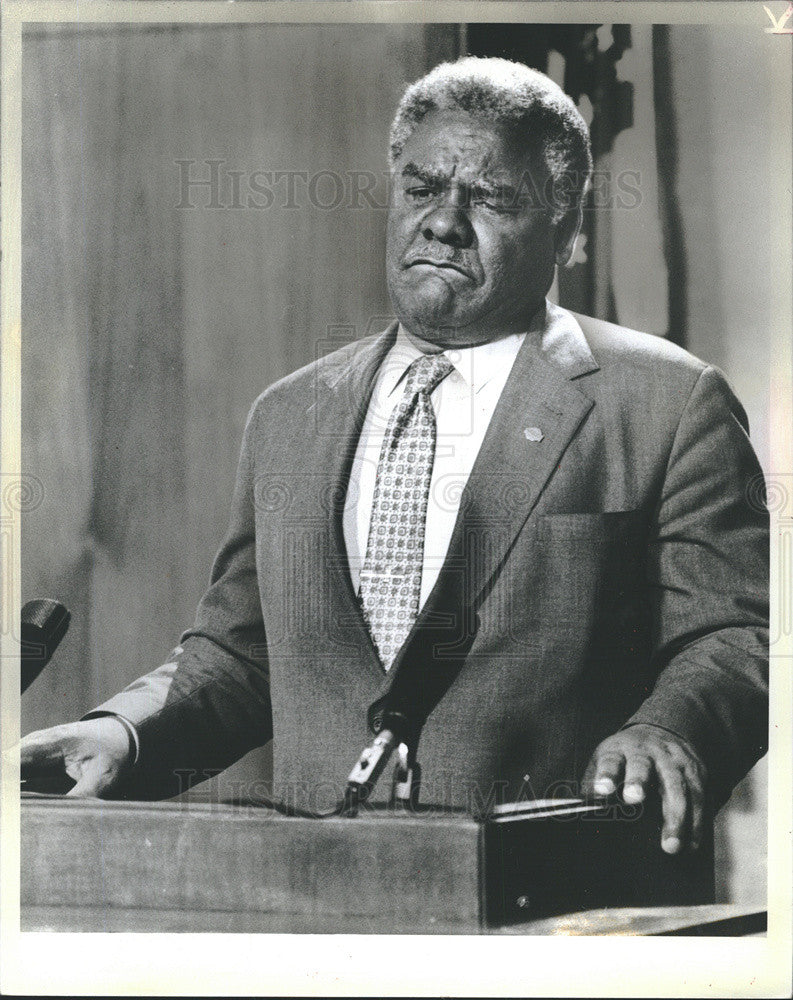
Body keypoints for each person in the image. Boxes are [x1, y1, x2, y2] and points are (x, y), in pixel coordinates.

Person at [21, 58, 768, 870]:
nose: (443, 222)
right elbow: (244, 654)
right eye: (420, 189)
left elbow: (734, 636)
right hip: (316, 898)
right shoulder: (288, 413)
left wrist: (671, 727)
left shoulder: (667, 401)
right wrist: (123, 730)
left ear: (566, 227)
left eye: (488, 197)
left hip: (556, 893)